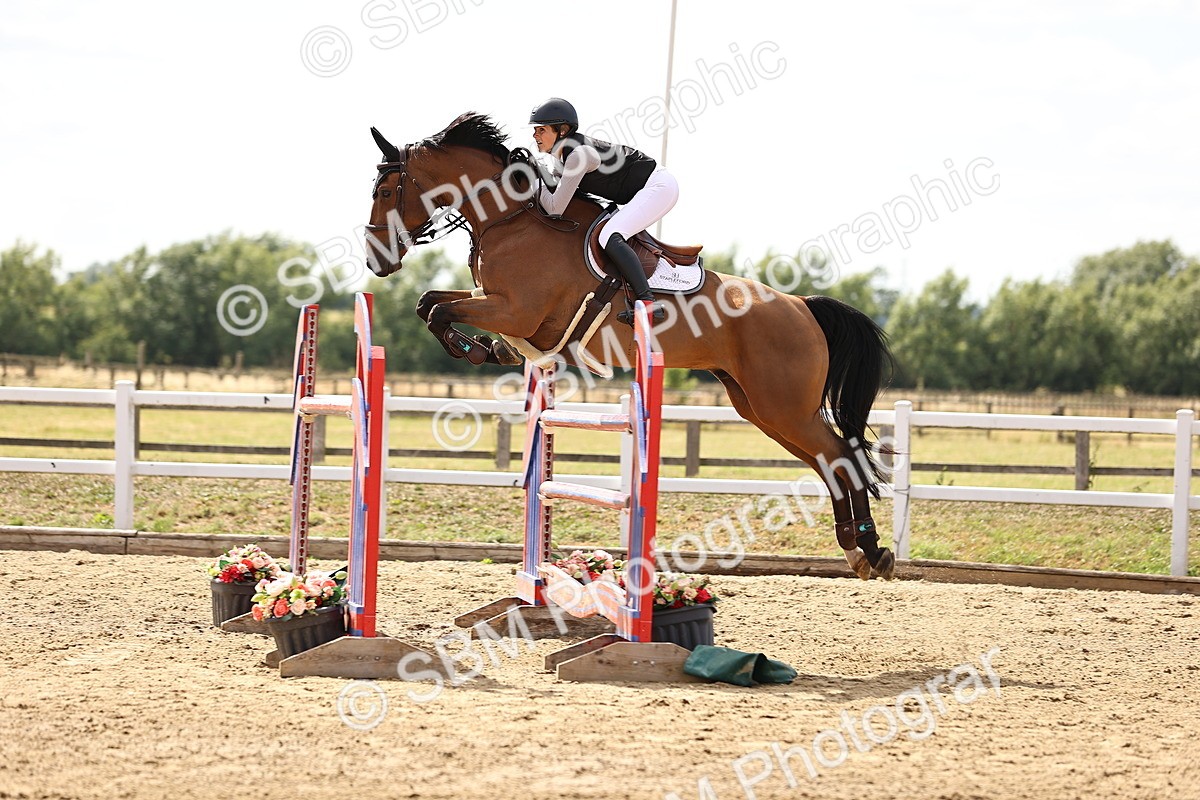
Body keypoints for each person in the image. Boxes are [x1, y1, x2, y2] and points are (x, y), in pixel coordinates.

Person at [529, 97, 676, 323]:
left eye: (541, 130)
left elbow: (555, 208)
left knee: (609, 234)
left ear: (562, 131)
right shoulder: (563, 158)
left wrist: (533, 182)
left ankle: (648, 303)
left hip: (658, 187)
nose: (535, 135)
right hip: (645, 189)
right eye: (535, 130)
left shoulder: (578, 155)